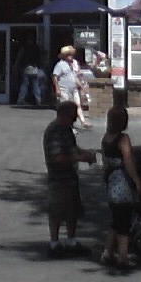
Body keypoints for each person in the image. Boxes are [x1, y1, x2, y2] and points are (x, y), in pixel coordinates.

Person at [43, 100, 97, 258]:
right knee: (57, 211)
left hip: (70, 177)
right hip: (58, 179)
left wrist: (85, 153)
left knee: (72, 211)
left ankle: (71, 242)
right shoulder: (54, 131)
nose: (74, 120)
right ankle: (54, 244)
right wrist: (80, 158)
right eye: (72, 117)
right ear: (63, 115)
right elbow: (58, 157)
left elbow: (72, 148)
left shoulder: (66, 129)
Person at [99, 105, 141, 271]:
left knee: (116, 220)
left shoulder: (106, 138)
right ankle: (122, 257)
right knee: (124, 221)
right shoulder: (123, 138)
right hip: (122, 182)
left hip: (111, 181)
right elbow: (128, 161)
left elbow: (104, 161)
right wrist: (137, 180)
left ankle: (108, 252)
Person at [51, 46, 89, 130]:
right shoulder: (60, 65)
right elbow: (55, 76)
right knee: (65, 107)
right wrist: (57, 88)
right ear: (65, 56)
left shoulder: (71, 65)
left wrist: (81, 86)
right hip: (64, 89)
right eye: (69, 55)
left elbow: (74, 77)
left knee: (77, 104)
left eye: (71, 55)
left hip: (73, 89)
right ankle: (64, 124)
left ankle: (83, 121)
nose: (71, 57)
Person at [14, 36, 45, 107]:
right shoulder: (37, 48)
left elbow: (19, 57)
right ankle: (38, 99)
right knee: (36, 84)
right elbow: (43, 54)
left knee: (25, 84)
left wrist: (16, 65)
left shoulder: (24, 48)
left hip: (26, 68)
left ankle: (21, 99)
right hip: (35, 68)